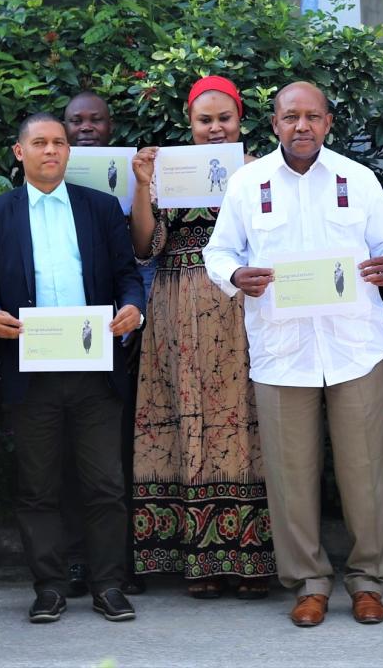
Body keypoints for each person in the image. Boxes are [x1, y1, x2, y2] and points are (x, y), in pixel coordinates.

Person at [204, 82, 383, 628]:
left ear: (328, 123)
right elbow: (219, 251)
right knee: (290, 476)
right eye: (291, 116)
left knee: (366, 473)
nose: (302, 126)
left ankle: (368, 583)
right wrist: (234, 274)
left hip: (355, 348)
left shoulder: (357, 178)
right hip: (282, 351)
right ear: (274, 123)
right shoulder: (248, 184)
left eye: (313, 117)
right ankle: (308, 584)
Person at [0, 112, 145, 625]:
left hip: (95, 369)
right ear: (19, 152)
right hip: (31, 370)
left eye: (59, 143)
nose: (51, 150)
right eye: (41, 143)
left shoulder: (100, 208)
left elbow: (126, 276)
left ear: (69, 152)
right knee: (38, 487)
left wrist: (134, 309)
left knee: (105, 484)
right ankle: (49, 587)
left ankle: (108, 585)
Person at [127, 76, 275, 597]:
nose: (215, 129)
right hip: (178, 310)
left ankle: (250, 556)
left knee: (245, 423)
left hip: (243, 307)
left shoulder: (262, 171)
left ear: (240, 120)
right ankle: (201, 558)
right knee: (185, 420)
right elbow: (144, 248)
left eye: (224, 119)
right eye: (204, 120)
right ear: (189, 124)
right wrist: (143, 185)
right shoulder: (169, 170)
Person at [60, 89, 148, 598]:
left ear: (111, 127)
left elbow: (138, 260)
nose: (87, 127)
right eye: (77, 121)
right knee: (67, 458)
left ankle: (117, 561)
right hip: (58, 342)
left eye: (96, 120)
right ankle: (75, 559)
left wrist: (133, 321)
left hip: (120, 334)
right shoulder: (40, 180)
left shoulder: (134, 177)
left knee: (115, 458)